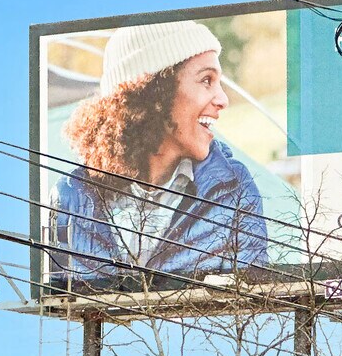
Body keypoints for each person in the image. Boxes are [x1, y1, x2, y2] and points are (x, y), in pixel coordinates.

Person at [49, 20, 270, 289]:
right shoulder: (72, 195)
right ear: (154, 93)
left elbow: (257, 296)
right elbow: (61, 294)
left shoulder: (233, 188)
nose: (223, 99)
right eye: (206, 80)